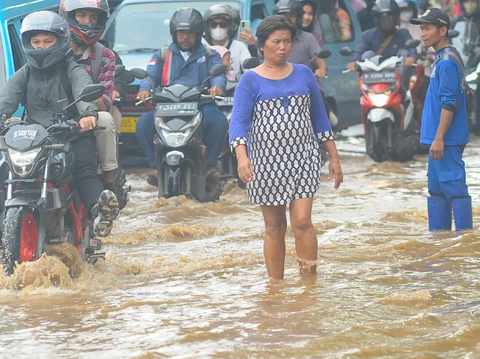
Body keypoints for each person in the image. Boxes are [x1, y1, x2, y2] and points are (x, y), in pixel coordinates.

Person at [229, 15, 343, 279]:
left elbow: (320, 119)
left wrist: (334, 157)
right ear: (262, 45)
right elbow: (238, 124)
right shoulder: (250, 80)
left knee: (302, 222)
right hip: (264, 163)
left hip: (304, 158)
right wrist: (242, 157)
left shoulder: (304, 73)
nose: (283, 47)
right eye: (276, 42)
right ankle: (276, 288)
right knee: (274, 227)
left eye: (287, 41)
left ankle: (308, 285)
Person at [0, 11, 118, 237]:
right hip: (32, 140)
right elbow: (6, 99)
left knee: (84, 168)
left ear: (61, 41)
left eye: (47, 41)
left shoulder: (71, 69)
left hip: (71, 134)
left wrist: (88, 115)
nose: (41, 47)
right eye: (35, 42)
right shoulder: (24, 73)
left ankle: (98, 214)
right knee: (5, 172)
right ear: (27, 43)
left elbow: (84, 90)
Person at [135, 7, 228, 186]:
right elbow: (150, 76)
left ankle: (209, 167)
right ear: (174, 34)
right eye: (181, 33)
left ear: (199, 34)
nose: (185, 37)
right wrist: (145, 89)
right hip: (167, 108)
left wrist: (218, 88)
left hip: (201, 106)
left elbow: (218, 76)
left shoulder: (209, 54)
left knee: (219, 122)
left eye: (190, 33)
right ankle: (156, 167)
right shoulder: (162, 54)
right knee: (142, 124)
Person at [410, 9, 472, 231]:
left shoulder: (446, 61)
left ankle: (464, 243)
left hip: (446, 140)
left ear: (443, 30)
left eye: (427, 28)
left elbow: (449, 102)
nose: (423, 34)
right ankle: (442, 245)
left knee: (455, 190)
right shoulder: (440, 58)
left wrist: (439, 138)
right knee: (437, 191)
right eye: (421, 29)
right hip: (438, 140)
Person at [59, 0, 118, 192]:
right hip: (53, 115)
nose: (88, 23)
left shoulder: (105, 56)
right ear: (68, 16)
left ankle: (109, 184)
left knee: (107, 119)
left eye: (94, 17)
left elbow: (105, 102)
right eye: (82, 16)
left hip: (90, 117)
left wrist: (86, 109)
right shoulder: (54, 50)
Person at [347, 0, 417, 77]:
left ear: (396, 18)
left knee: (404, 52)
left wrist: (411, 57)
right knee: (367, 54)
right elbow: (359, 51)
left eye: (390, 17)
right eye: (383, 18)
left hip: (397, 76)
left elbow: (411, 49)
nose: (387, 21)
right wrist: (353, 61)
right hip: (374, 77)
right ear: (377, 19)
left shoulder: (403, 33)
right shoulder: (367, 35)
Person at [203, 4, 252, 81]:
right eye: (213, 24)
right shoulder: (201, 45)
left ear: (230, 27)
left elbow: (250, 71)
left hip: (233, 90)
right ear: (207, 27)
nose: (218, 28)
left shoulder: (239, 46)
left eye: (223, 24)